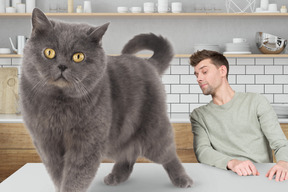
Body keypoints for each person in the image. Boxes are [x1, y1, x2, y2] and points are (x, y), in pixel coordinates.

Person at [189, 50, 288, 182]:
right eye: (196, 74)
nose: (199, 78)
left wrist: (284, 163)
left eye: (204, 72)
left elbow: (280, 143)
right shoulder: (199, 115)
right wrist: (232, 162)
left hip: (259, 177)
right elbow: (202, 151)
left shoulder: (256, 102)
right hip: (222, 177)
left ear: (222, 71)